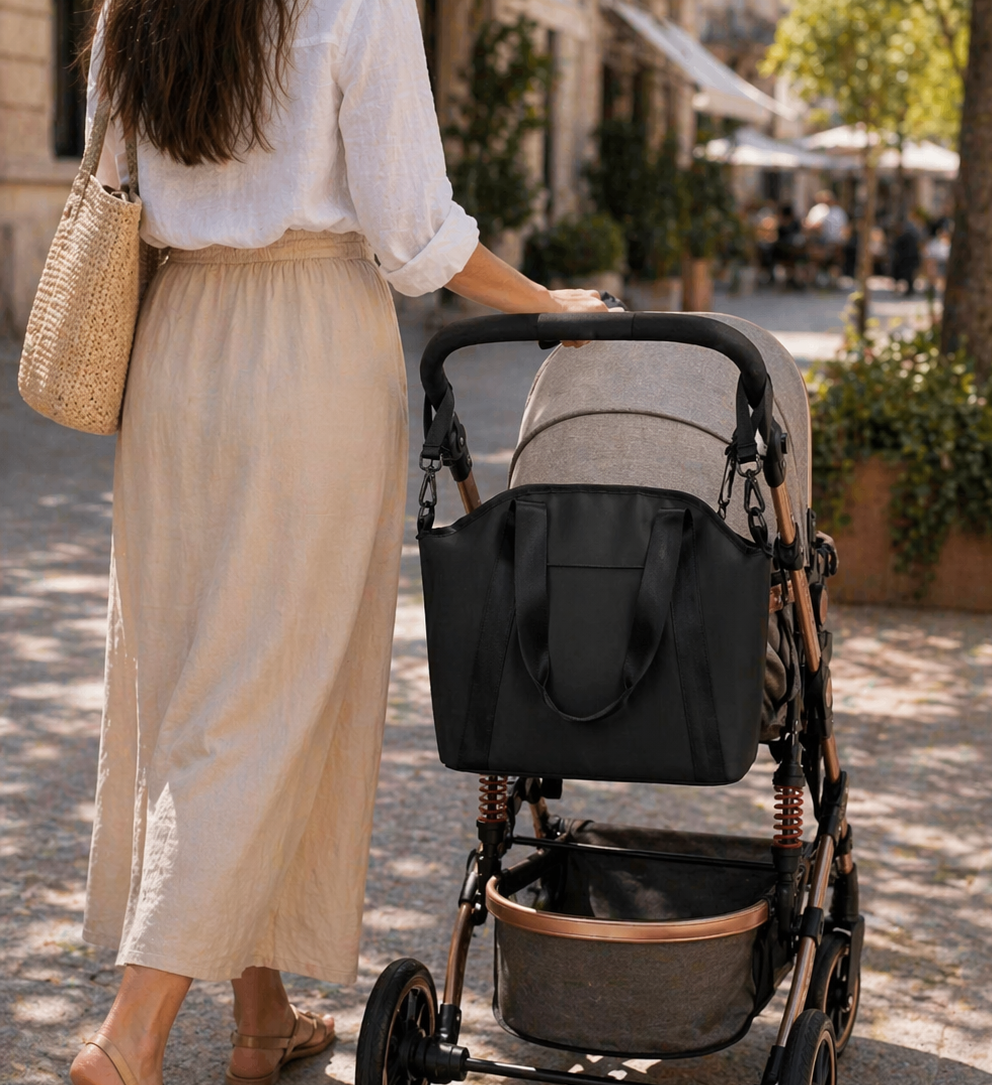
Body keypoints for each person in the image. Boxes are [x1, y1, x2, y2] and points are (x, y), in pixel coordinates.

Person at [69, 1, 609, 1084]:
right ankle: (129, 1038)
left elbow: (109, 176)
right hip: (307, 348)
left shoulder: (134, 7)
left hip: (173, 353)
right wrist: (546, 301)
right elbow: (415, 232)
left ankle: (262, 1017)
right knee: (265, 695)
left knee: (191, 688)